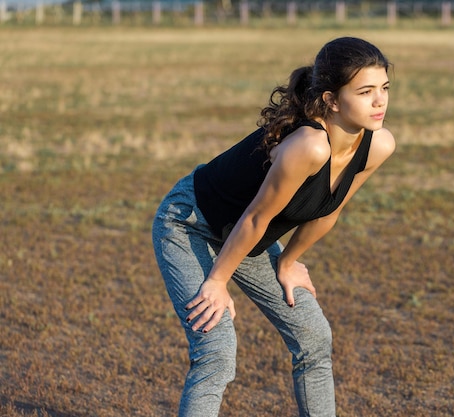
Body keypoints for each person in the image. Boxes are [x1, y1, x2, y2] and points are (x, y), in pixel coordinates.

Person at [152, 36, 395, 417]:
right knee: (216, 350)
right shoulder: (309, 146)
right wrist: (217, 282)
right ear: (331, 100)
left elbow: (329, 210)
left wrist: (288, 262)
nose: (379, 101)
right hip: (190, 224)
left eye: (383, 89)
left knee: (314, 338)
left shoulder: (378, 145)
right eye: (365, 91)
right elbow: (255, 218)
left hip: (243, 238)